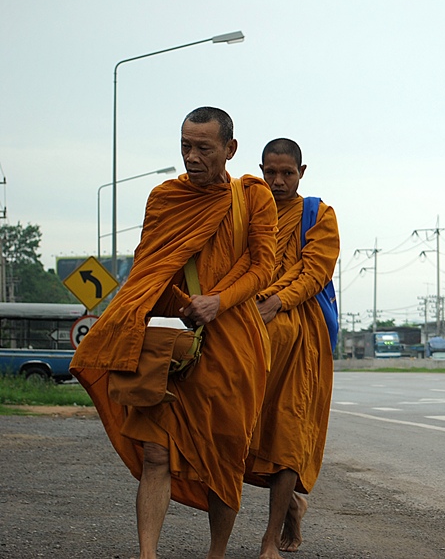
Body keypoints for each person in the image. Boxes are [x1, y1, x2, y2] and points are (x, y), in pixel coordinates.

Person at [70, 107, 277, 559]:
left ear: (230, 149)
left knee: (226, 459)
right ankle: (147, 555)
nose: (192, 156)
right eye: (186, 146)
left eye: (204, 147)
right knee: (155, 455)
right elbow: (150, 266)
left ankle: (216, 553)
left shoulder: (253, 198)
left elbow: (264, 265)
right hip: (172, 341)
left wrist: (219, 301)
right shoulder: (164, 198)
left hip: (233, 344)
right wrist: (160, 310)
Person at [245, 138, 339, 558]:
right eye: (271, 172)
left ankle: (270, 540)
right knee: (242, 427)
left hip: (302, 335)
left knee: (286, 431)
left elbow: (315, 271)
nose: (278, 181)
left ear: (302, 172)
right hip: (249, 326)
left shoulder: (318, 215)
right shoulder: (248, 209)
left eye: (287, 173)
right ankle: (290, 508)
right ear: (261, 170)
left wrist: (276, 301)